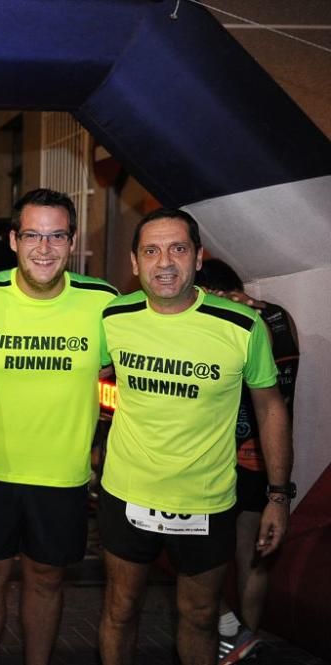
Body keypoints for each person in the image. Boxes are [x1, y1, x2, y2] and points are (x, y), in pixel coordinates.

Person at [98, 209, 293, 665]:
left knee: (201, 616)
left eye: (178, 248)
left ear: (198, 257)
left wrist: (279, 496)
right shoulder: (113, 317)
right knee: (120, 610)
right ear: (134, 262)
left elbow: (270, 407)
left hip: (206, 501)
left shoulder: (243, 325)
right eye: (151, 250)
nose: (164, 261)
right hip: (126, 494)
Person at [0, 188, 118, 665]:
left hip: (61, 477)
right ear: (14, 240)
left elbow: (165, 327)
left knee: (47, 580)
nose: (44, 248)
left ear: (72, 241)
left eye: (56, 236)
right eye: (33, 235)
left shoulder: (104, 302)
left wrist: (221, 296)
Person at [194, 258, 299, 663]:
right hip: (269, 459)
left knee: (201, 558)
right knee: (254, 555)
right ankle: (243, 642)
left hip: (229, 456)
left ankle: (229, 633)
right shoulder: (280, 318)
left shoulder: (235, 323)